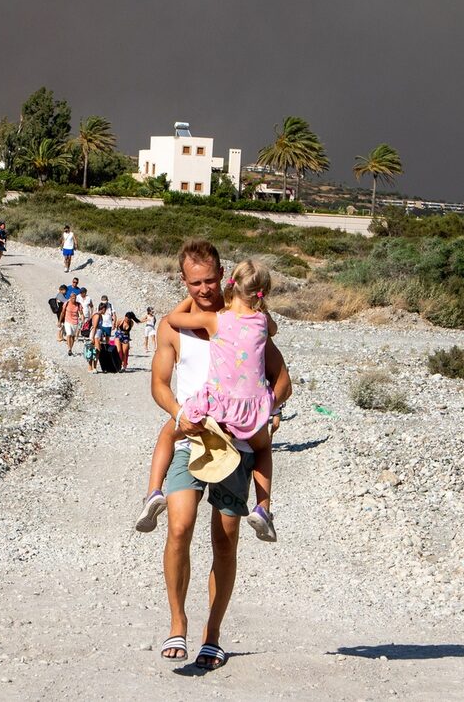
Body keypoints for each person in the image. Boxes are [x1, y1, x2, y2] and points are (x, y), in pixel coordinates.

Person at [143, 240, 291, 668]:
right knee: (178, 528)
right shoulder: (176, 327)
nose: (205, 289)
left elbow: (282, 380)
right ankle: (176, 622)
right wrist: (178, 414)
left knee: (224, 543)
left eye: (211, 280)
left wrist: (268, 411)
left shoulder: (245, 319)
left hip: (238, 446)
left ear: (222, 274)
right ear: (183, 281)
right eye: (195, 282)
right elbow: (159, 384)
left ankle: (213, 634)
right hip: (191, 438)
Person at [161, 258, 279, 540]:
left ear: (229, 283)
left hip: (217, 407)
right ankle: (263, 507)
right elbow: (272, 334)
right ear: (261, 293)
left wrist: (187, 297)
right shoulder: (263, 322)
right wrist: (271, 407)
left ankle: (153, 492)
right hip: (253, 409)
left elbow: (172, 319)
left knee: (169, 432)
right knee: (263, 448)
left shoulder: (215, 320)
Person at [59, 290, 83, 357]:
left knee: (73, 337)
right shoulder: (66, 303)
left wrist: (83, 319)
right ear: (70, 298)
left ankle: (70, 349)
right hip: (67, 321)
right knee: (69, 334)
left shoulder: (78, 304)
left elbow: (81, 313)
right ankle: (69, 349)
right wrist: (60, 321)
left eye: (75, 298)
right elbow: (63, 312)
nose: (74, 299)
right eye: (72, 298)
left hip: (75, 322)